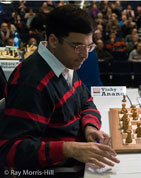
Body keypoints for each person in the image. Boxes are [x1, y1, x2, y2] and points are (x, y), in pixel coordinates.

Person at [0, 5, 119, 171]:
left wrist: (89, 128)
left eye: (89, 47)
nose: (85, 55)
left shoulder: (64, 62)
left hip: (78, 158)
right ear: (54, 41)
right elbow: (10, 151)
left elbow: (86, 102)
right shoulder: (32, 82)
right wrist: (69, 149)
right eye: (78, 47)